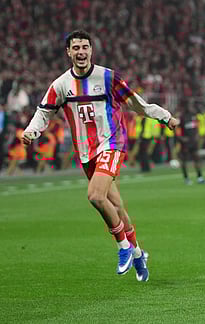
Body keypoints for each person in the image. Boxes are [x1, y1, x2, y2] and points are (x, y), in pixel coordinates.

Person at [21, 30, 179, 282]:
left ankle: (123, 247)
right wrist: (31, 131)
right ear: (68, 52)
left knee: (95, 196)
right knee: (115, 207)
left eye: (85, 47)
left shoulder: (107, 77)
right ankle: (139, 254)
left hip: (112, 144)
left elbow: (137, 104)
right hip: (86, 153)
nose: (81, 52)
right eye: (76, 48)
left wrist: (165, 116)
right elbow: (44, 112)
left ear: (91, 50)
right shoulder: (60, 85)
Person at [175, 104, 205, 185]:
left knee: (197, 159)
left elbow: (196, 126)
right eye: (190, 106)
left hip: (193, 142)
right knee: (184, 160)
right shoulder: (181, 117)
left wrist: (197, 135)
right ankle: (186, 179)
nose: (191, 108)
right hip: (185, 143)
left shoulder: (194, 116)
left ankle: (200, 178)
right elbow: (176, 128)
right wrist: (181, 138)